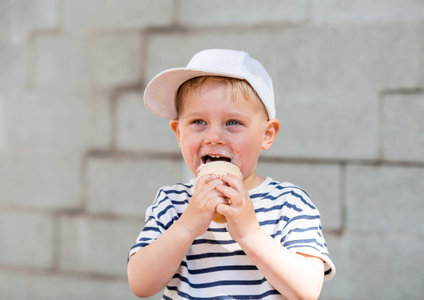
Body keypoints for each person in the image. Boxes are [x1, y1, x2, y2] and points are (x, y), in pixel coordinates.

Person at [127, 49, 335, 299]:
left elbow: (307, 291)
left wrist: (249, 232)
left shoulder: (289, 202)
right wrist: (187, 225)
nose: (214, 137)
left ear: (267, 134)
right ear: (179, 134)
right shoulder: (172, 202)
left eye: (233, 122)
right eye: (198, 122)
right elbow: (140, 284)